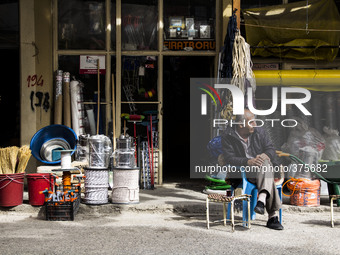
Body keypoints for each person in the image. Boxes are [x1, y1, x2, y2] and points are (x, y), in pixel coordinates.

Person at [221, 108, 283, 230]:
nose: (255, 124)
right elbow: (229, 158)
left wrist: (266, 155)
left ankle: (261, 200)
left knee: (265, 163)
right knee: (267, 170)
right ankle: (272, 216)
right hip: (242, 172)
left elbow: (271, 149)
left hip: (262, 170)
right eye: (252, 122)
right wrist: (248, 162)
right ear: (241, 124)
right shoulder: (227, 136)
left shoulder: (259, 132)